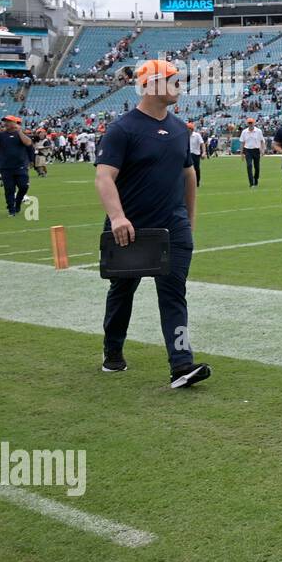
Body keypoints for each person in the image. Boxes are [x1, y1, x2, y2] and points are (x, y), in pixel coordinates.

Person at [94, 60, 211, 388]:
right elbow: (104, 176)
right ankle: (112, 351)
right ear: (153, 85)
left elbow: (189, 175)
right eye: (173, 80)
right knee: (122, 291)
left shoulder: (178, 129)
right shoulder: (123, 129)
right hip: (130, 229)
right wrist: (117, 217)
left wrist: (188, 221)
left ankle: (181, 365)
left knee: (174, 293)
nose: (179, 85)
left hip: (172, 229)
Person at [0, 116, 32, 216]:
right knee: (9, 189)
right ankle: (11, 209)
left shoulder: (20, 134)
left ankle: (18, 201)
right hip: (5, 167)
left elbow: (28, 143)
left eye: (8, 121)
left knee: (24, 186)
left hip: (20, 166)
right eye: (5, 121)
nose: (6, 123)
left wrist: (20, 131)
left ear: (14, 123)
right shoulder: (1, 134)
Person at [240, 118, 264, 187]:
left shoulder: (258, 131)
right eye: (249, 123)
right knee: (249, 165)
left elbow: (262, 141)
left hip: (256, 150)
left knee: (257, 167)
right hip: (248, 150)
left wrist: (262, 150)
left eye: (251, 123)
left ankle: (256, 179)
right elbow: (242, 143)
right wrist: (241, 153)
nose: (250, 124)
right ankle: (251, 183)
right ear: (247, 124)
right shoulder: (244, 132)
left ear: (254, 123)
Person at [187, 123, 205, 187]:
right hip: (187, 154)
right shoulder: (184, 136)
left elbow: (202, 144)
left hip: (195, 154)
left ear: (192, 129)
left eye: (189, 129)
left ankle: (197, 182)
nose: (187, 130)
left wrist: (204, 152)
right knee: (186, 169)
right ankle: (188, 182)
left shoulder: (197, 135)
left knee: (196, 169)